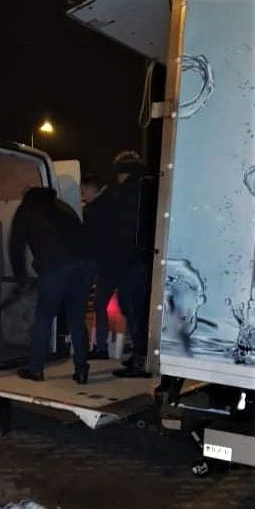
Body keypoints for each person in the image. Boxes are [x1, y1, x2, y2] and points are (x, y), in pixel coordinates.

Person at [9, 187, 93, 384]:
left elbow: (16, 247)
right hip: (85, 265)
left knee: (44, 318)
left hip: (56, 267)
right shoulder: (63, 207)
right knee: (76, 318)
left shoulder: (26, 210)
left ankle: (36, 369)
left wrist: (21, 279)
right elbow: (81, 234)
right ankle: (81, 370)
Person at [108, 150, 158, 378]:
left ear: (123, 172)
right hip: (144, 259)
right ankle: (141, 355)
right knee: (140, 310)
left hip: (130, 261)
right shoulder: (148, 188)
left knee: (133, 309)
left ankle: (140, 359)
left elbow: (120, 232)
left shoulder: (127, 192)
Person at [81, 173, 117, 359]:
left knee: (99, 304)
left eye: (84, 191)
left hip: (105, 264)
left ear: (92, 189)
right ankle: (102, 346)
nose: (83, 196)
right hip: (115, 262)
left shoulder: (95, 210)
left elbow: (92, 239)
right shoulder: (113, 203)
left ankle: (100, 347)